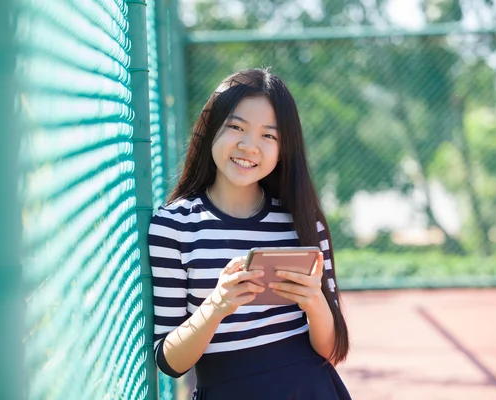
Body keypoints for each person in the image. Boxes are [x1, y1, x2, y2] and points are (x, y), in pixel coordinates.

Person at [149, 68, 352, 399]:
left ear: (284, 148)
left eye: (269, 136)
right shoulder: (173, 226)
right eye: (236, 127)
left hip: (310, 389)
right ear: (211, 128)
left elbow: (330, 349)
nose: (249, 146)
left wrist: (314, 301)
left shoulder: (303, 221)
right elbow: (169, 361)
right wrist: (216, 305)